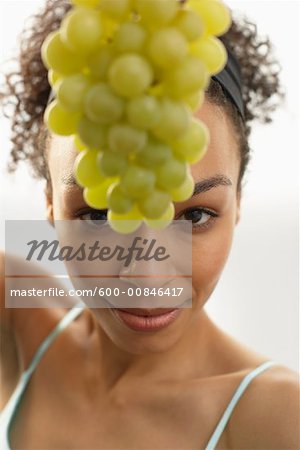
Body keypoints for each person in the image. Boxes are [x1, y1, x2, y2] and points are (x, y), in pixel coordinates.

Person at [0, 0, 299, 449]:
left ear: (238, 201)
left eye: (195, 216)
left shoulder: (277, 419)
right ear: (49, 205)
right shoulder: (18, 326)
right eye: (100, 215)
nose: (147, 277)